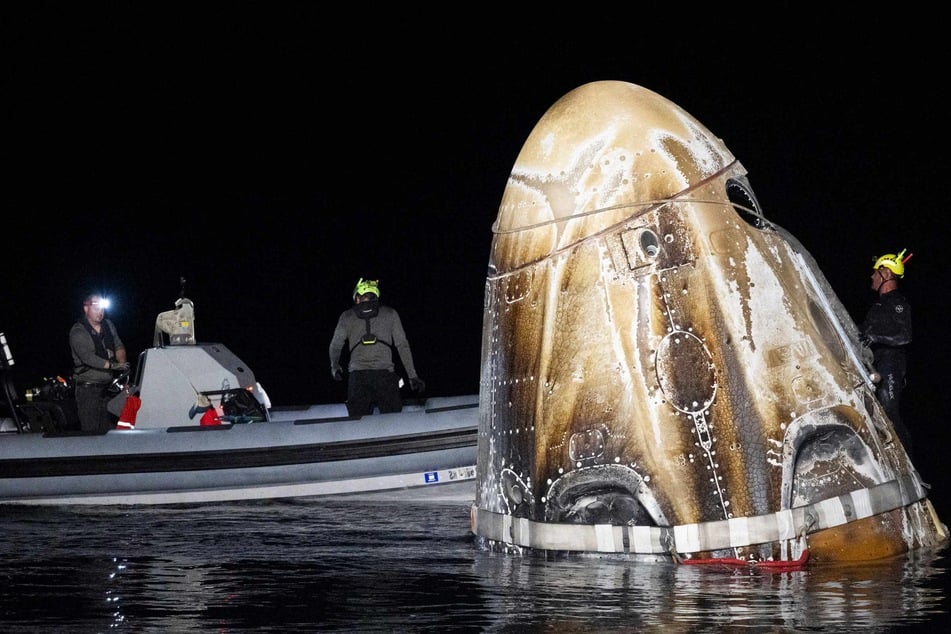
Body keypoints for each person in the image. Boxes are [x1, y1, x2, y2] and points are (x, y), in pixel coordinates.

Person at [329, 278, 425, 417]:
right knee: (392, 422)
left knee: (357, 423)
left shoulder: (346, 316)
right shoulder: (390, 313)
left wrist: (335, 366)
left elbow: (335, 346)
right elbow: (402, 345)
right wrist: (412, 376)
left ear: (357, 297)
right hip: (385, 377)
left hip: (358, 379)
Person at [860, 249, 913, 455]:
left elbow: (905, 336)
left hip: (891, 365)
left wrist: (876, 338)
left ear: (887, 274)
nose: (872, 276)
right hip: (874, 365)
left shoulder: (897, 302)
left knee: (889, 411)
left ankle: (908, 462)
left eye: (876, 272)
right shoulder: (877, 307)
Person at [69, 293, 129, 433]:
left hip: (107, 389)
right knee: (91, 433)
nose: (100, 312)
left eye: (102, 308)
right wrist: (113, 365)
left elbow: (118, 345)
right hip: (88, 390)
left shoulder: (108, 325)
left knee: (110, 431)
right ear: (86, 308)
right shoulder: (78, 331)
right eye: (96, 307)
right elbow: (87, 357)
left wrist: (122, 368)